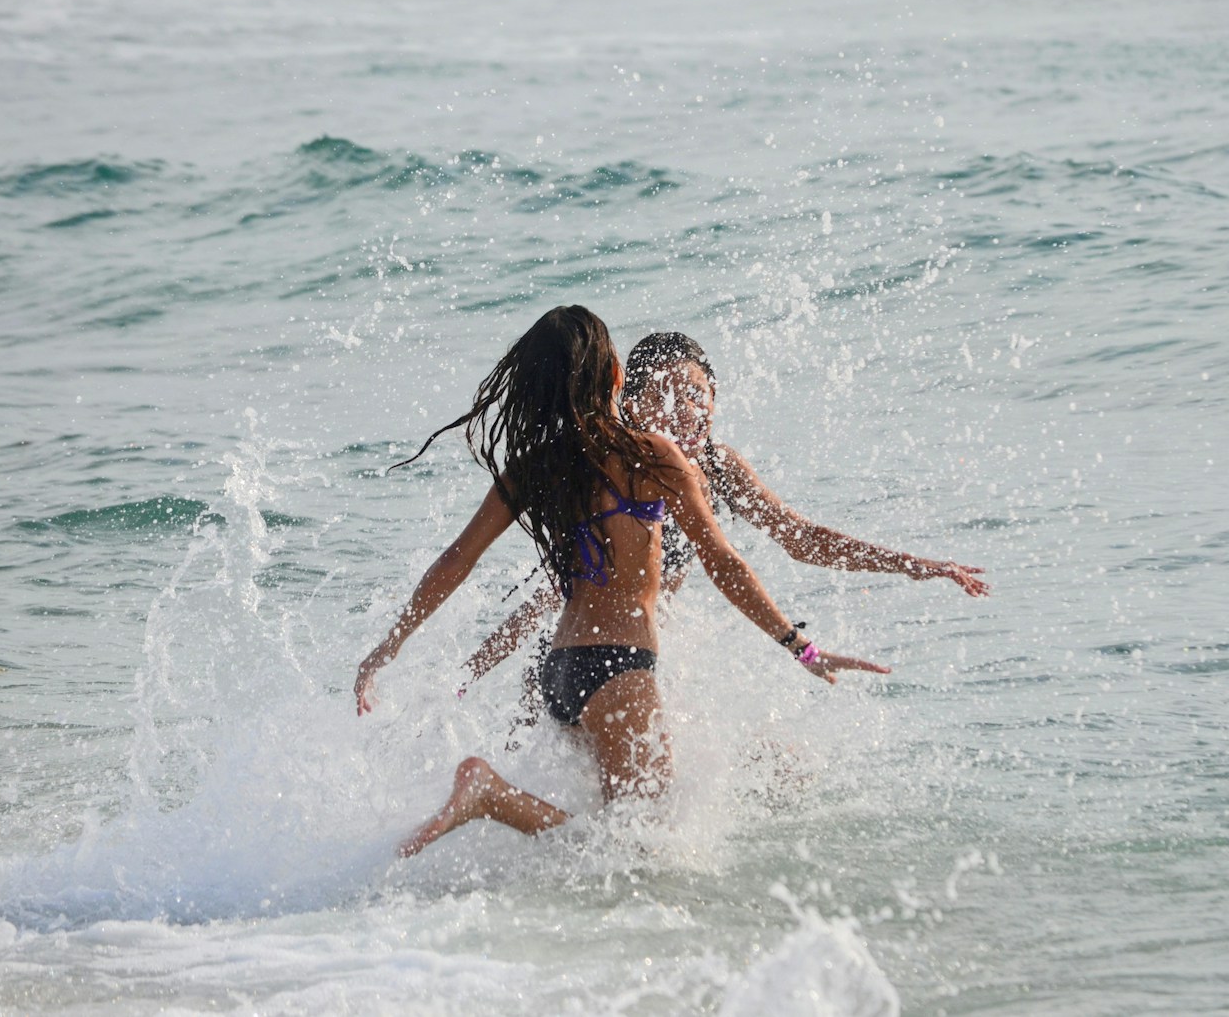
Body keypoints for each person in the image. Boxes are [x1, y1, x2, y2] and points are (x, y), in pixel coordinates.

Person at [352, 306, 886, 857]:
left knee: (618, 841)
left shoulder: (537, 466)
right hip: (619, 665)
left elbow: (455, 560)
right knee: (645, 849)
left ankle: (497, 799)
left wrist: (390, 646)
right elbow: (724, 562)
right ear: (615, 376)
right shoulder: (651, 457)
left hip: (559, 672)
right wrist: (801, 648)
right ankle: (491, 794)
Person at [457, 331, 989, 696]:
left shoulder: (718, 467)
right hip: (584, 660)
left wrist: (919, 566)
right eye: (664, 395)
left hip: (646, 660)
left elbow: (802, 539)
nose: (683, 409)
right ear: (631, 404)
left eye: (695, 393)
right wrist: (474, 671)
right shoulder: (619, 472)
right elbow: (555, 593)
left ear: (714, 397)